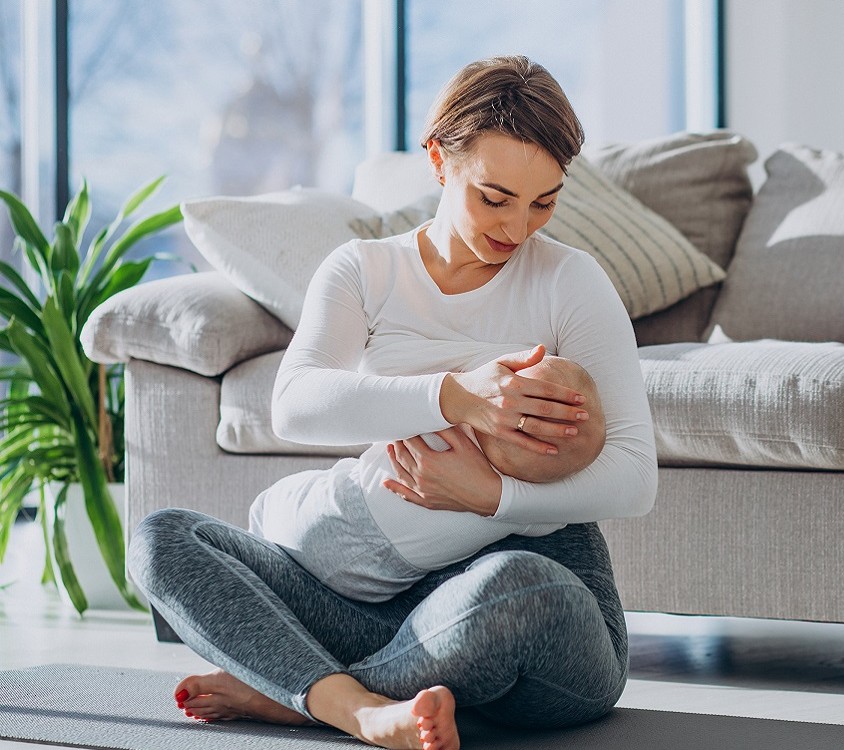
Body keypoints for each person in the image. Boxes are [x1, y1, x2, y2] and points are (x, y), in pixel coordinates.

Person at [127, 55, 656, 750]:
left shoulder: (569, 281)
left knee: (523, 586)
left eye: (544, 201)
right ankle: (360, 705)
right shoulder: (367, 270)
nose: (519, 227)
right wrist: (457, 398)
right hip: (374, 602)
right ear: (438, 160)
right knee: (162, 538)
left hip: (528, 618)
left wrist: (490, 495)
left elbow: (635, 477)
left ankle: (304, 693)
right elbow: (296, 402)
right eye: (494, 198)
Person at [249, 352, 607, 602]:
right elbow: (556, 515)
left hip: (331, 510)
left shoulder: (445, 430)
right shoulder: (531, 517)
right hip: (374, 585)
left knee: (264, 510)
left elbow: (397, 402)